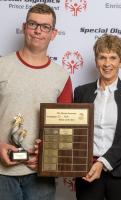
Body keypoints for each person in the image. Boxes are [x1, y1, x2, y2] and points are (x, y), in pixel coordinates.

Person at [0, 3, 72, 200]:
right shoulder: (1, 66)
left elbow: (66, 129)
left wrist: (50, 153)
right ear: (24, 27)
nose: (38, 31)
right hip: (1, 174)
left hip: (41, 176)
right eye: (33, 24)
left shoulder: (62, 76)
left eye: (45, 27)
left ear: (53, 33)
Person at [74, 34, 121, 200]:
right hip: (87, 170)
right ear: (96, 60)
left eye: (113, 58)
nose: (107, 64)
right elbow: (75, 132)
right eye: (102, 57)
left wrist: (102, 162)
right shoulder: (81, 92)